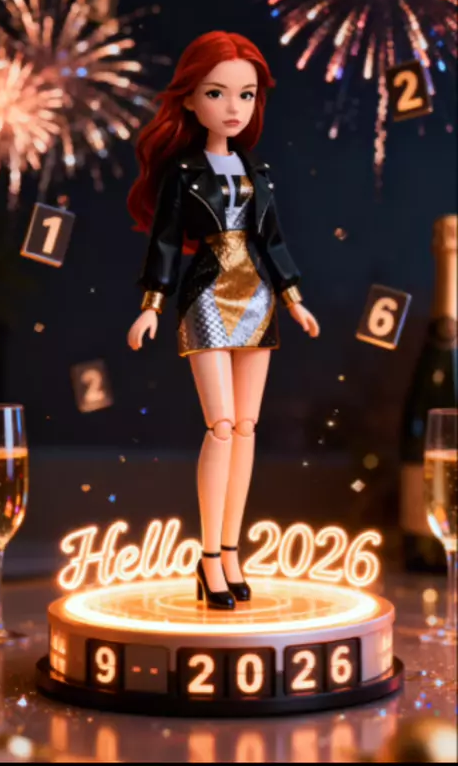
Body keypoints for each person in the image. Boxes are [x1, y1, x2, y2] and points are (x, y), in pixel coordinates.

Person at [127, 31, 320, 610]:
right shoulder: (183, 173)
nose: (234, 107)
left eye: (246, 94)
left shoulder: (259, 171)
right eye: (217, 93)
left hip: (257, 296)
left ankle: (232, 551)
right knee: (221, 426)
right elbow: (165, 244)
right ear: (189, 99)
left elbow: (274, 242)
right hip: (206, 294)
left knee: (248, 428)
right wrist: (151, 306)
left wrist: (294, 299)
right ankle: (208, 556)